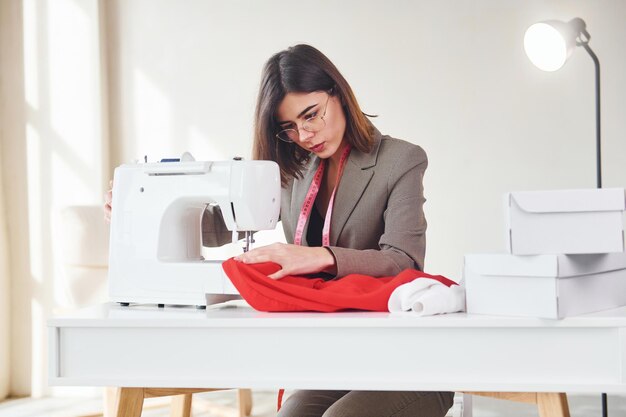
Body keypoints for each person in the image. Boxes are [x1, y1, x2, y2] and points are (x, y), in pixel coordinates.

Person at [104, 44, 453, 417]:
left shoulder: (400, 159)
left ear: (339, 93)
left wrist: (320, 256)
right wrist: (139, 206)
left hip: (406, 358)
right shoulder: (294, 170)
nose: (304, 134)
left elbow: (404, 262)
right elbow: (222, 228)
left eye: (311, 115)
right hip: (341, 357)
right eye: (288, 127)